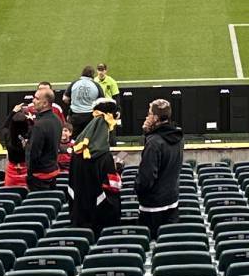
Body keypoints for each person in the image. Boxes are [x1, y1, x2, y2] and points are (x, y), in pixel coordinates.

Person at [65, 99, 122, 232]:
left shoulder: (77, 152)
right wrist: (118, 169)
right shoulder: (104, 157)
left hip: (79, 218)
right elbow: (113, 188)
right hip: (100, 222)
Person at [133, 99, 184, 236]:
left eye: (149, 114)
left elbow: (146, 178)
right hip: (172, 202)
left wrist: (137, 188)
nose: (146, 117)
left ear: (155, 117)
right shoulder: (178, 137)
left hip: (153, 209)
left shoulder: (154, 143)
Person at [23, 85, 65, 190]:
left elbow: (34, 153)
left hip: (39, 177)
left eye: (37, 98)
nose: (33, 101)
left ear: (45, 103)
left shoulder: (39, 125)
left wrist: (30, 173)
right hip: (53, 172)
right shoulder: (57, 120)